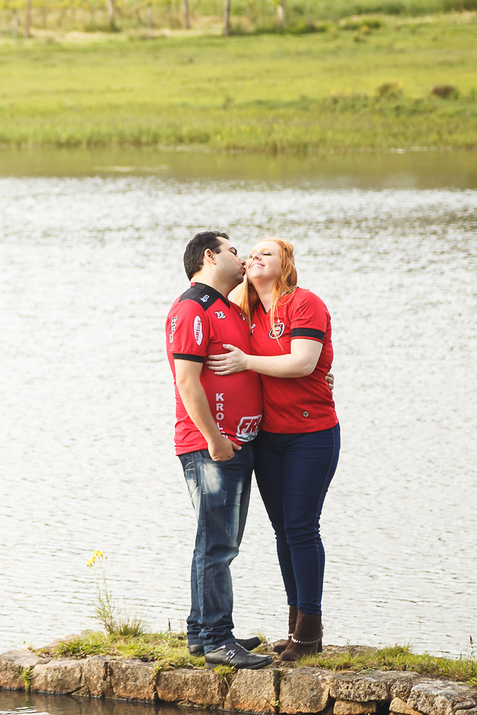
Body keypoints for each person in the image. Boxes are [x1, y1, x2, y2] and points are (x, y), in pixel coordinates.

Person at [208, 237, 340, 662]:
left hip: (311, 435)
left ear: (285, 264)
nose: (254, 256)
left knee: (302, 528)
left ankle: (310, 630)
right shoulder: (246, 313)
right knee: (284, 531)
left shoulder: (304, 303)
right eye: (251, 253)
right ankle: (295, 627)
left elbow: (302, 362)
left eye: (267, 252)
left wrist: (247, 361)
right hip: (268, 438)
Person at [165, 230, 273, 670]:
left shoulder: (227, 307)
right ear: (208, 257)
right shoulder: (191, 308)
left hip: (234, 445)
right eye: (232, 250)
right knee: (218, 546)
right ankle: (217, 639)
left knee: (215, 541)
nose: (241, 256)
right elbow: (186, 381)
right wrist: (214, 440)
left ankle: (199, 631)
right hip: (211, 447)